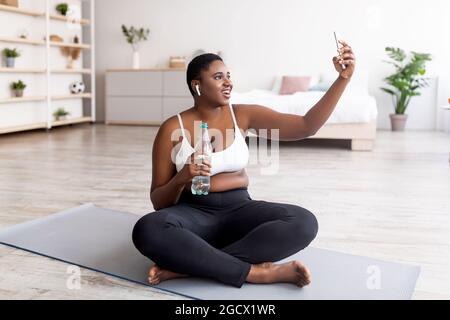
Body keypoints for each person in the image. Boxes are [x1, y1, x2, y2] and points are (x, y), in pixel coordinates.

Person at [132, 41, 355, 288]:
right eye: (218, 77)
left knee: (303, 222)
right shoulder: (172, 129)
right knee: (148, 229)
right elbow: (158, 202)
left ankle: (190, 268)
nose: (228, 82)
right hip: (193, 214)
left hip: (239, 211)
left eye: (228, 76)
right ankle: (258, 273)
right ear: (197, 85)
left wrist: (342, 80)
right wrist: (183, 177)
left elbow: (306, 126)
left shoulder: (243, 115)